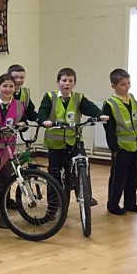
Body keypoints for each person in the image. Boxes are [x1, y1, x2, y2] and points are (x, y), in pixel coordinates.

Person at [38, 67, 108, 205]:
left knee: (83, 165)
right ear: (58, 82)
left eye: (70, 81)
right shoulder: (50, 97)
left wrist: (99, 115)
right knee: (54, 172)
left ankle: (84, 196)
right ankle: (54, 204)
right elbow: (42, 111)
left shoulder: (78, 98)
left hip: (74, 140)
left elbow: (90, 108)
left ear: (74, 83)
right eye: (64, 80)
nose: (67, 83)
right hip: (56, 143)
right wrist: (44, 120)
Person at [102, 69, 137, 215]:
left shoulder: (131, 98)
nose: (127, 87)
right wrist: (114, 148)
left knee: (133, 176)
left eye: (128, 83)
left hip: (133, 144)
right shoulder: (110, 104)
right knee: (118, 177)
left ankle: (130, 203)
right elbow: (109, 129)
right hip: (120, 147)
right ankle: (113, 204)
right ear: (113, 86)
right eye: (122, 84)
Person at [0, 73, 28, 190]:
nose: (8, 89)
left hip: (7, 149)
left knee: (5, 178)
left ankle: (6, 199)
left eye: (11, 86)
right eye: (5, 86)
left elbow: (24, 123)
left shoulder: (19, 105)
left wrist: (22, 125)